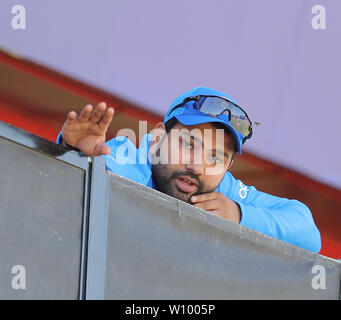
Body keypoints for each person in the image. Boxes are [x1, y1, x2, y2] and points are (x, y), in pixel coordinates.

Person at [57, 87, 321, 253]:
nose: (197, 166)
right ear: (158, 138)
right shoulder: (129, 158)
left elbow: (307, 232)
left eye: (215, 157)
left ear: (227, 167)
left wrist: (239, 214)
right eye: (188, 144)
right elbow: (101, 172)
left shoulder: (221, 189)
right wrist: (73, 153)